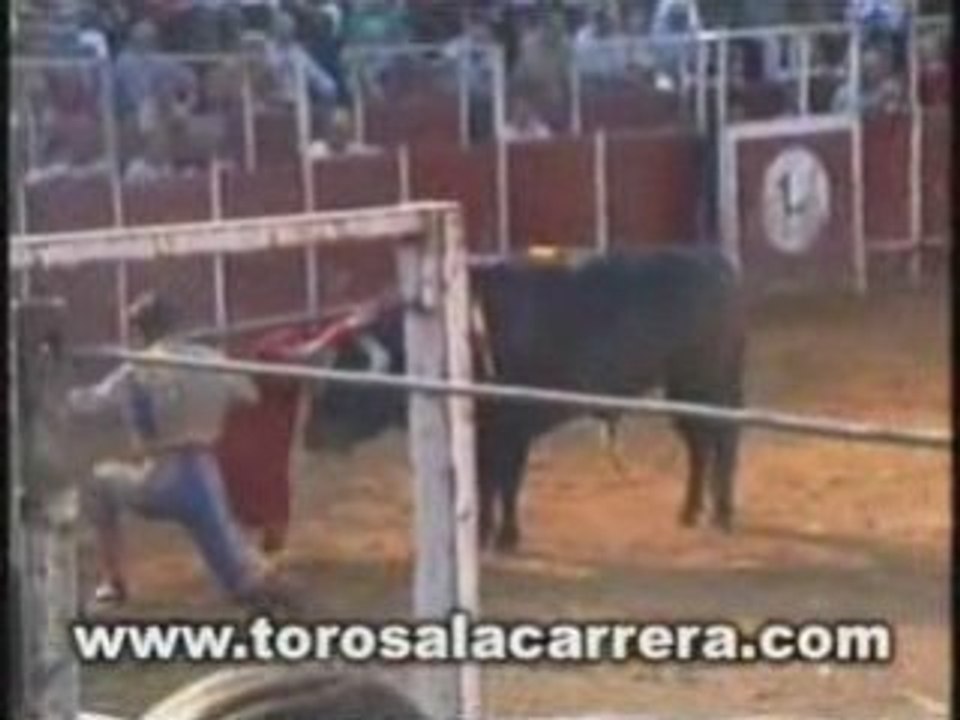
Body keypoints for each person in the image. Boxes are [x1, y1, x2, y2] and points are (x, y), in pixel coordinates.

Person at [73, 292, 299, 611]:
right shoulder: (211, 359)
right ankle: (271, 591)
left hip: (156, 476)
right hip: (202, 474)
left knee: (98, 485)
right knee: (243, 579)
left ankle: (113, 583)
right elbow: (248, 395)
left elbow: (88, 403)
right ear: (179, 324)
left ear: (140, 332)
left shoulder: (136, 368)